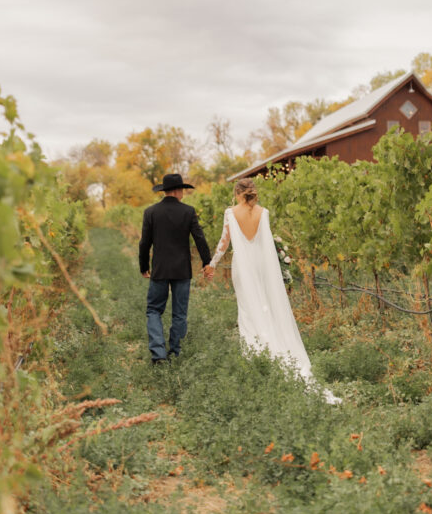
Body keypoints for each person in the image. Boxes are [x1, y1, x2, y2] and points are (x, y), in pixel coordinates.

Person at [206, 177, 340, 403]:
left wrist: (212, 263)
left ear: (238, 193)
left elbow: (224, 242)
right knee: (265, 304)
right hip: (261, 264)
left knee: (248, 309)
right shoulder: (263, 212)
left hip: (243, 266)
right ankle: (273, 346)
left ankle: (256, 357)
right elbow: (266, 244)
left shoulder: (231, 213)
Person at [139, 172, 213, 364]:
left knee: (154, 310)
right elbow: (200, 239)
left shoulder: (151, 212)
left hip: (160, 269)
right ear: (179, 191)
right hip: (182, 270)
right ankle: (175, 352)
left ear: (165, 191)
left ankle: (158, 353)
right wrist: (207, 262)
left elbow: (144, 243)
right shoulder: (188, 212)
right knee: (179, 312)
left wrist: (144, 266)